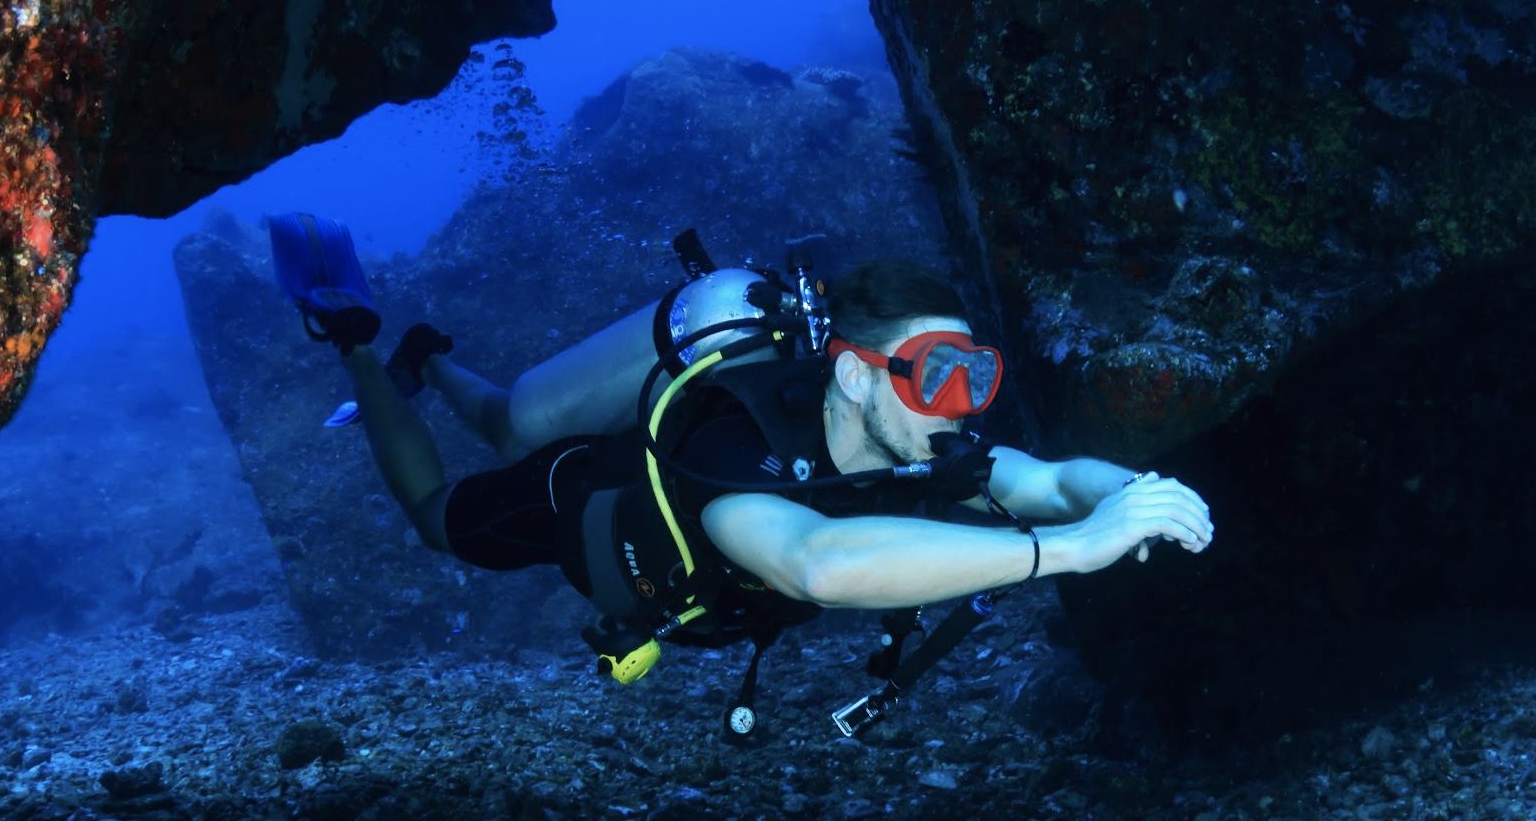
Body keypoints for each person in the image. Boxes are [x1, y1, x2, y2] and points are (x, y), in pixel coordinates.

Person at [269, 212, 1213, 724]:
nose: (961, 405)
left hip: (685, 530)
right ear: (852, 371)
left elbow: (1050, 481)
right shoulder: (735, 447)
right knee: (442, 513)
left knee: (511, 422)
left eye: (976, 375)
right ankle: (359, 341)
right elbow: (820, 568)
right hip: (590, 507)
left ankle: (430, 355)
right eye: (936, 375)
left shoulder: (921, 441)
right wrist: (1069, 554)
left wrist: (1131, 497)